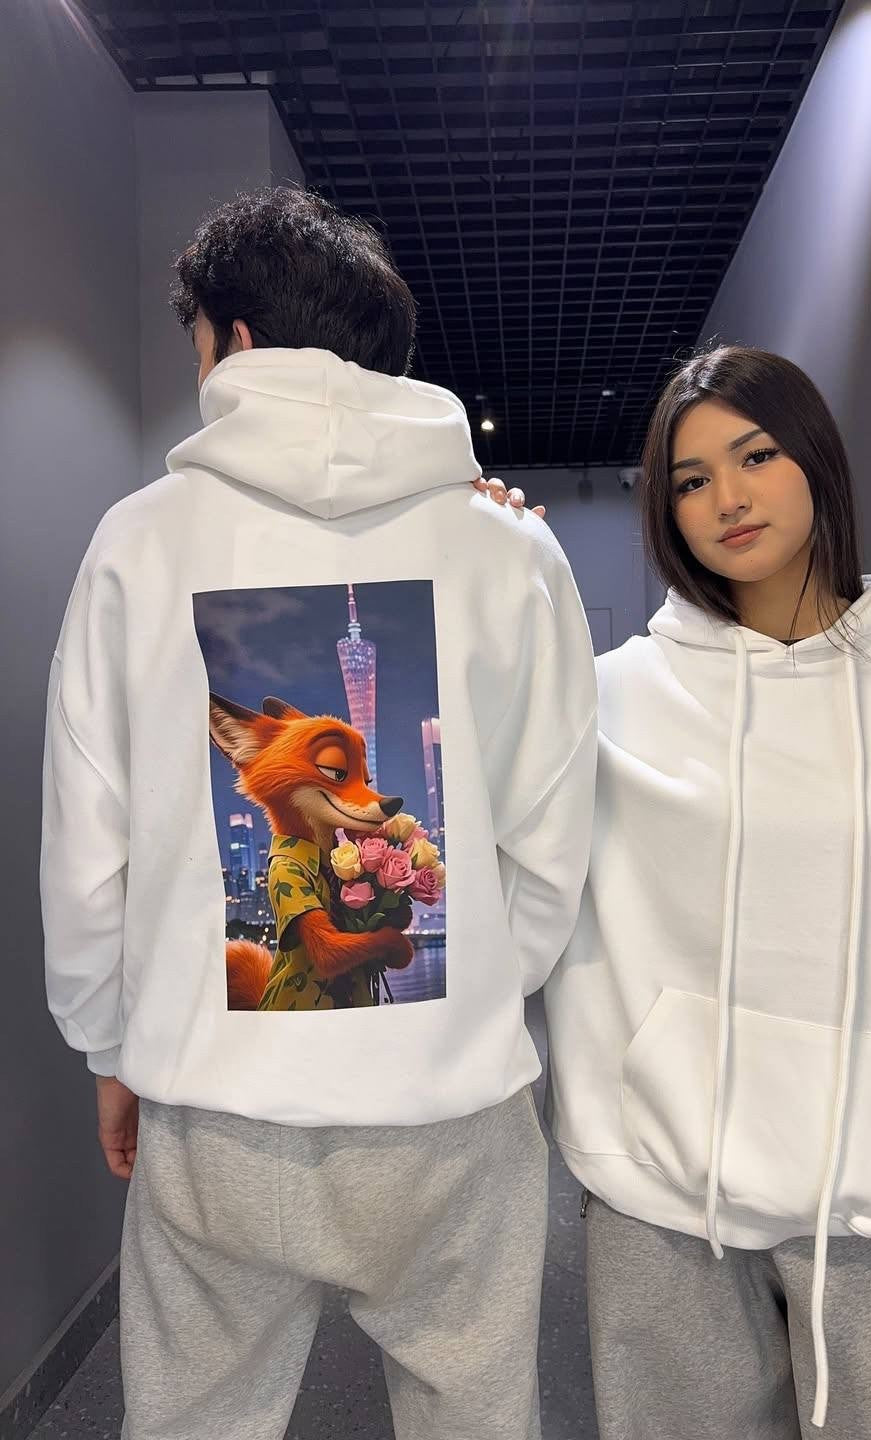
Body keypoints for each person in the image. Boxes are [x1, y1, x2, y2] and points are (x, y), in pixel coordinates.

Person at [41, 186, 597, 1440]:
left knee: (194, 1419)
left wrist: (109, 1044)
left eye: (198, 344)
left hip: (219, 1111)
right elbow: (554, 835)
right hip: (453, 1117)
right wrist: (486, 986)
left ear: (235, 340)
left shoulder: (137, 543)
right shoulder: (514, 549)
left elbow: (89, 842)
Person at [491, 344, 871, 1438]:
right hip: (664, 1201)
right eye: (692, 479)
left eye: (755, 456)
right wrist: (487, 562)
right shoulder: (610, 697)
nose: (729, 497)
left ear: (814, 458)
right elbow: (503, 861)